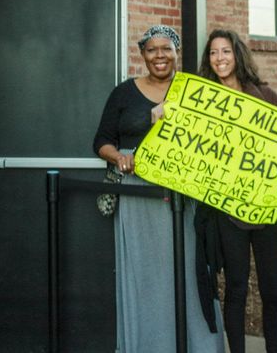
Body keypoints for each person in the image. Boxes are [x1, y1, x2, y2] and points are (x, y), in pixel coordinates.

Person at [92, 25, 223, 353]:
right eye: (152, 50)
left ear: (177, 53)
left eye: (167, 49)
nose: (160, 56)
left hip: (183, 194)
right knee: (145, 274)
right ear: (143, 54)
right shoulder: (123, 93)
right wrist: (119, 156)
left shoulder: (193, 92)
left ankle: (197, 345)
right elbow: (101, 141)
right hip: (138, 198)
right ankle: (151, 345)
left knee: (189, 271)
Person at [197, 28, 277, 353]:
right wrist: (164, 110)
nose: (219, 58)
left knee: (273, 290)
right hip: (227, 210)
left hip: (267, 208)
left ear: (237, 55)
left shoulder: (263, 94)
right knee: (235, 288)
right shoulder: (203, 99)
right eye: (213, 53)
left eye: (225, 51)